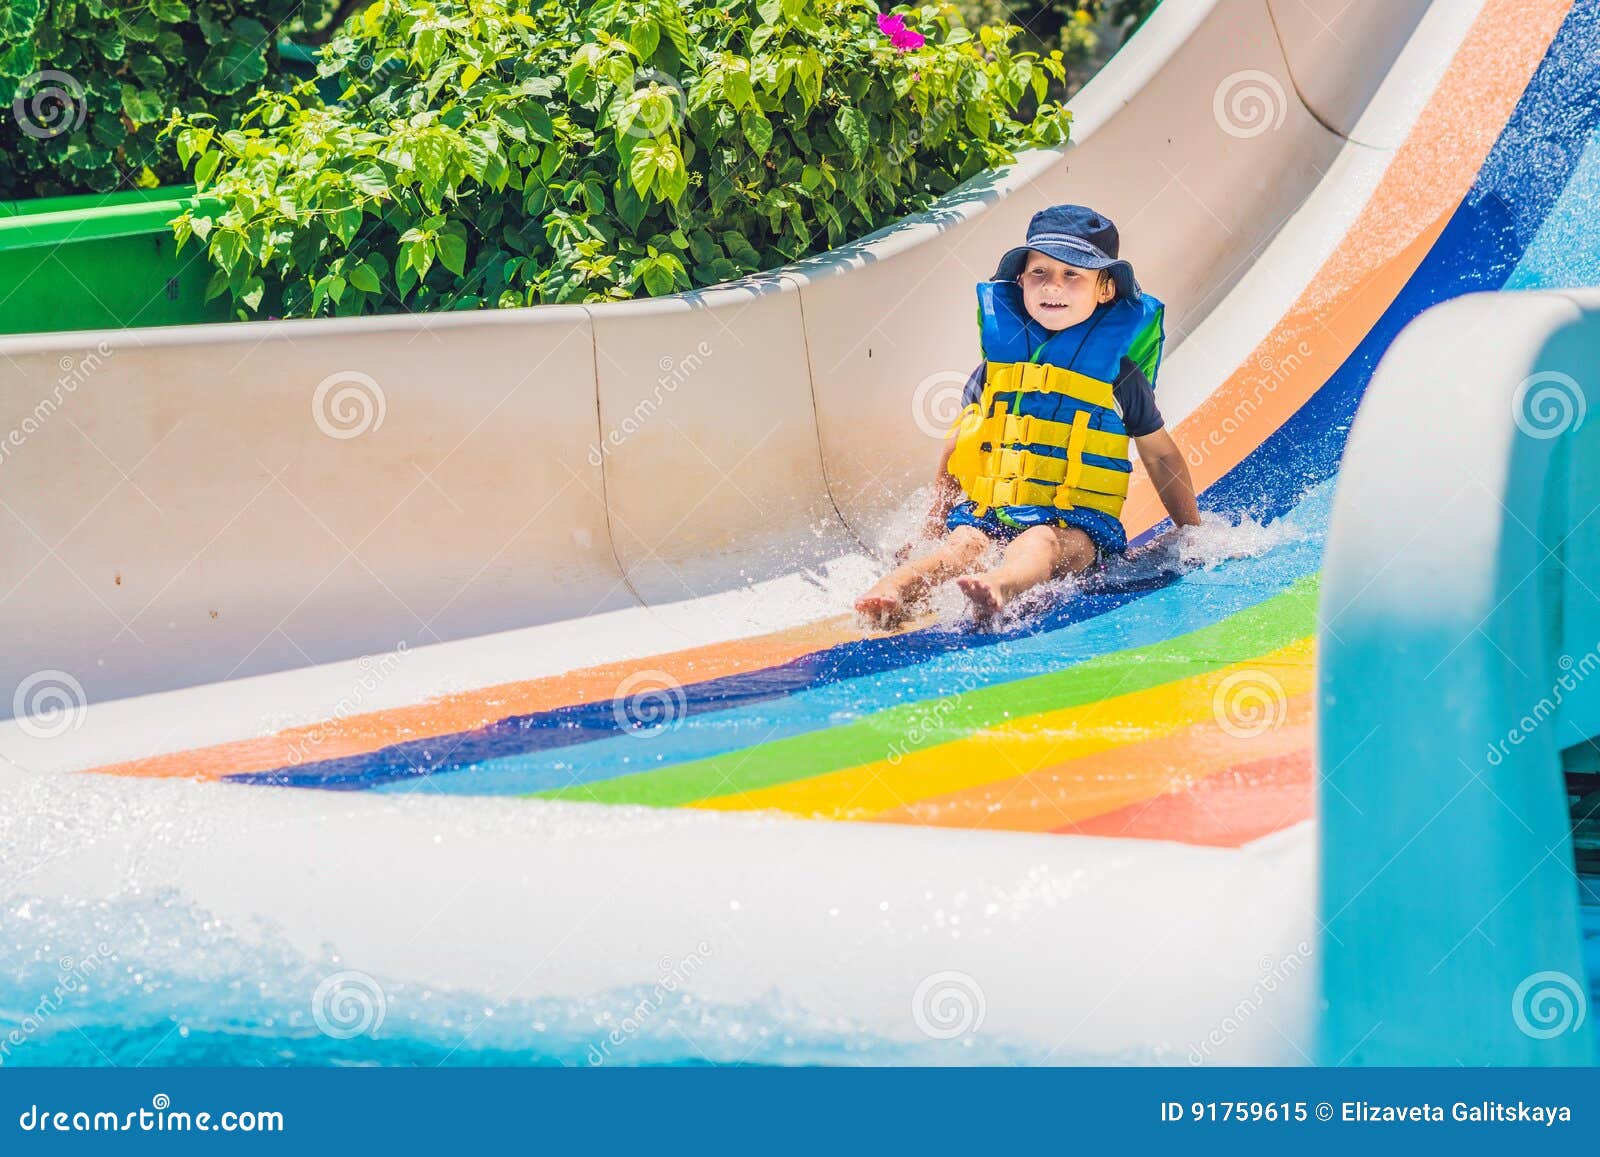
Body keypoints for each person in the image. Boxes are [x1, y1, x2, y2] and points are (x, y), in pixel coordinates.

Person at [855, 204, 1201, 627]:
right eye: (1040, 272)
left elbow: (1161, 456)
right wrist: (933, 525)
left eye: (1072, 274)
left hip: (1078, 527)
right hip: (993, 512)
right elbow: (958, 446)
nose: (1053, 286)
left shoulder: (1120, 378)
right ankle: (896, 587)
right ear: (1020, 280)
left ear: (1105, 289)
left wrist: (1192, 531)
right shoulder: (996, 371)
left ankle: (1000, 585)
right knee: (961, 545)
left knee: (1040, 543)